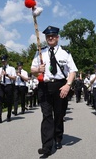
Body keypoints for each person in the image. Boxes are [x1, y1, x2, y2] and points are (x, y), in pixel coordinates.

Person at [31, 26, 78, 158]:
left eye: (52, 36)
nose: (50, 38)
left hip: (60, 86)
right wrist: (38, 70)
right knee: (46, 115)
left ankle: (58, 137)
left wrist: (68, 85)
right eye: (48, 36)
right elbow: (32, 70)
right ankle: (46, 146)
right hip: (44, 86)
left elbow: (73, 71)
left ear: (57, 37)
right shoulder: (40, 52)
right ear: (46, 38)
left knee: (59, 115)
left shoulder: (65, 53)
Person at [0, 55, 16, 123]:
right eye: (2, 61)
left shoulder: (12, 68)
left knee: (9, 101)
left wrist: (7, 75)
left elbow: (14, 78)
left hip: (9, 86)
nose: (3, 63)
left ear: (7, 61)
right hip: (1, 85)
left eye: (4, 61)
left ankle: (9, 116)